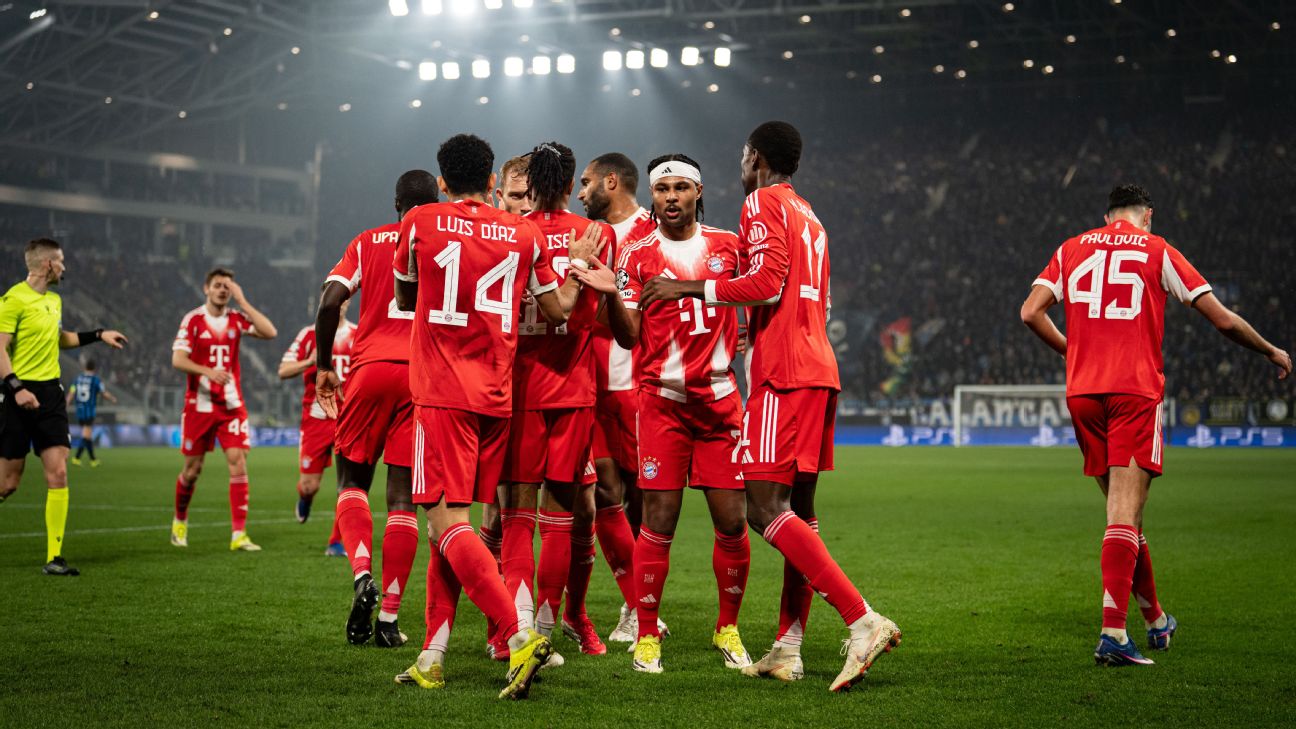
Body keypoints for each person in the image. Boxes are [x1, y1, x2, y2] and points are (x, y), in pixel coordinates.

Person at [634, 121, 901, 692]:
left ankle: (861, 619)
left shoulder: (761, 201)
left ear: (754, 157)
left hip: (784, 374)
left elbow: (768, 284)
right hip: (819, 366)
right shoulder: (810, 214)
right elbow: (817, 296)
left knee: (762, 509)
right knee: (800, 512)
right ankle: (788, 645)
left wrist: (687, 289)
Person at [1021, 184, 1291, 666]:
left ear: (1108, 216)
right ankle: (1112, 633)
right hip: (1133, 392)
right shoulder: (1157, 248)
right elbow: (1223, 321)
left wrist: (1072, 351)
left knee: (1127, 516)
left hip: (1083, 395)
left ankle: (1156, 620)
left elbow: (1030, 312)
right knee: (1123, 516)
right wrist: (1270, 349)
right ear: (1147, 215)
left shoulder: (1070, 248)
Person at [391, 132, 603, 697]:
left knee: (446, 524)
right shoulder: (522, 232)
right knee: (455, 528)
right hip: (498, 396)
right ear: (491, 182)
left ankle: (519, 635)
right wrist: (578, 265)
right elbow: (558, 309)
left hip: (442, 391)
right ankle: (433, 655)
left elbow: (406, 300)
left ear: (441, 181)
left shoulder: (420, 221)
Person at [572, 153, 752, 674]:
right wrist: (611, 295)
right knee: (658, 522)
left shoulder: (729, 246)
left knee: (732, 522)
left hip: (719, 405)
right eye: (663, 189)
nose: (671, 197)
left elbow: (760, 293)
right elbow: (629, 336)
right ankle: (647, 634)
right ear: (652, 195)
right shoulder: (637, 254)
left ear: (698, 192)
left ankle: (728, 627)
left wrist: (748, 333)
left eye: (680, 187)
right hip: (662, 406)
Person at [499, 142, 615, 661]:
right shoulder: (597, 234)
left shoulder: (509, 231)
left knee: (515, 516)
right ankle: (547, 625)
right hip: (573, 389)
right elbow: (602, 313)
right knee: (562, 516)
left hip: (516, 387)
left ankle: (518, 629)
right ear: (571, 185)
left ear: (531, 185)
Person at [315, 170, 438, 648]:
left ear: (396, 204)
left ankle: (362, 573)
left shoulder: (368, 241)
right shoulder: (443, 239)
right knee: (403, 500)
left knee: (351, 482)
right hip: (421, 377)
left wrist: (325, 366)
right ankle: (388, 618)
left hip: (369, 372)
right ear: (435, 202)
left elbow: (330, 303)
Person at [0, 238, 127, 575]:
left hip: (51, 396)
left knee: (58, 473)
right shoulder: (12, 300)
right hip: (17, 394)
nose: (64, 267)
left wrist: (98, 334)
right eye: (61, 261)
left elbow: (60, 339)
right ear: (48, 265)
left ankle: (54, 558)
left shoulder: (54, 301)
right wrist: (16, 388)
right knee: (8, 484)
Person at [576, 152, 661, 644]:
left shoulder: (656, 232)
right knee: (606, 494)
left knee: (646, 498)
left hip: (643, 384)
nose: (580, 192)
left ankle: (645, 602)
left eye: (587, 182)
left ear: (611, 181)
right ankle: (634, 607)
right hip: (593, 384)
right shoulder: (586, 237)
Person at [170, 267, 277, 552]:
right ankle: (180, 520)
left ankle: (238, 534)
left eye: (227, 287)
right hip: (200, 406)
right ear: (206, 288)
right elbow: (178, 359)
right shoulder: (193, 320)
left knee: (238, 461)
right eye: (217, 285)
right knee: (192, 470)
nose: (222, 290)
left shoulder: (236, 319)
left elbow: (270, 332)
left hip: (231, 405)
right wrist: (208, 371)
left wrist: (243, 301)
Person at [479, 154, 534, 578]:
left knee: (584, 503)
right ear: (499, 195)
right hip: (496, 386)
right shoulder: (483, 240)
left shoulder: (556, 239)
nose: (525, 204)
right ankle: (493, 585)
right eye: (516, 196)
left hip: (552, 387)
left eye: (532, 195)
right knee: (497, 504)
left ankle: (566, 607)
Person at [278, 301, 355, 556]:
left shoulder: (358, 334)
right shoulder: (309, 335)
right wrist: (309, 362)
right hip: (316, 419)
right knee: (309, 485)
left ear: (349, 302)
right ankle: (305, 498)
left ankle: (336, 541)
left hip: (349, 419)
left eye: (344, 298)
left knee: (348, 483)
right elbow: (283, 370)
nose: (340, 302)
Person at [67, 359, 116, 466]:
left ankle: (93, 459)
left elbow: (71, 392)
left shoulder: (78, 379)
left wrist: (66, 403)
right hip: (89, 411)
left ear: (85, 367)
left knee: (88, 435)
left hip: (79, 410)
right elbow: (103, 393)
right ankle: (76, 458)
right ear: (94, 368)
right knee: (86, 435)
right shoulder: (95, 380)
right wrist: (112, 399)